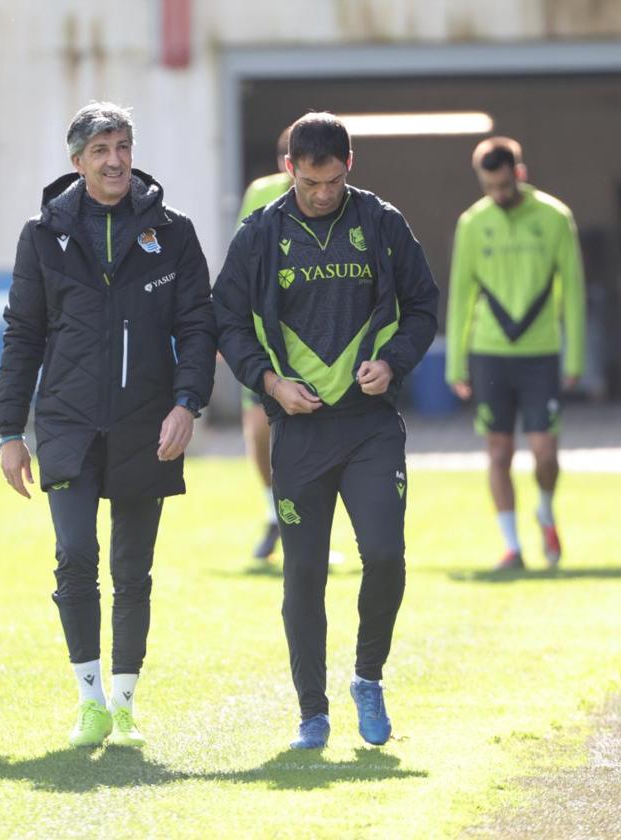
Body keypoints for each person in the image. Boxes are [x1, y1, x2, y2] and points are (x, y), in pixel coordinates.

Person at [0, 102, 216, 748]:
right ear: (77, 163)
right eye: (101, 150)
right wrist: (11, 430)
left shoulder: (173, 233)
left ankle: (125, 704)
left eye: (122, 146)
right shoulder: (42, 235)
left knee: (133, 569)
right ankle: (88, 702)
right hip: (65, 422)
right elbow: (23, 333)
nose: (115, 160)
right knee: (75, 555)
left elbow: (197, 327)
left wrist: (187, 403)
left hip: (149, 421)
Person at [213, 112, 439, 749]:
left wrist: (394, 361)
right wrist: (269, 383)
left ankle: (368, 677)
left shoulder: (381, 223)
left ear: (350, 166)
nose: (321, 194)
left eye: (332, 181)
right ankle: (312, 712)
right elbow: (225, 318)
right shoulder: (261, 233)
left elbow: (424, 304)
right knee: (303, 575)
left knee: (386, 557)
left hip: (369, 426)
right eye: (310, 182)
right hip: (299, 430)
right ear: (290, 169)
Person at [444, 137, 585, 572]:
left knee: (545, 453)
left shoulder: (555, 217)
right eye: (489, 187)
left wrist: (574, 358)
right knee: (499, 453)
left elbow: (574, 291)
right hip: (489, 353)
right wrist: (456, 361)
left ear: (518, 174)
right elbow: (461, 294)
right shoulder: (472, 223)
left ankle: (544, 509)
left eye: (504, 185)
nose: (498, 195)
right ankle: (511, 546)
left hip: (540, 353)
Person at [236, 125, 294, 561]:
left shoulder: (341, 201)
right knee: (259, 430)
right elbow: (240, 259)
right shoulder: (260, 194)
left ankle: (305, 525)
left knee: (305, 437)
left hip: (314, 338)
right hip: (260, 332)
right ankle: (274, 512)